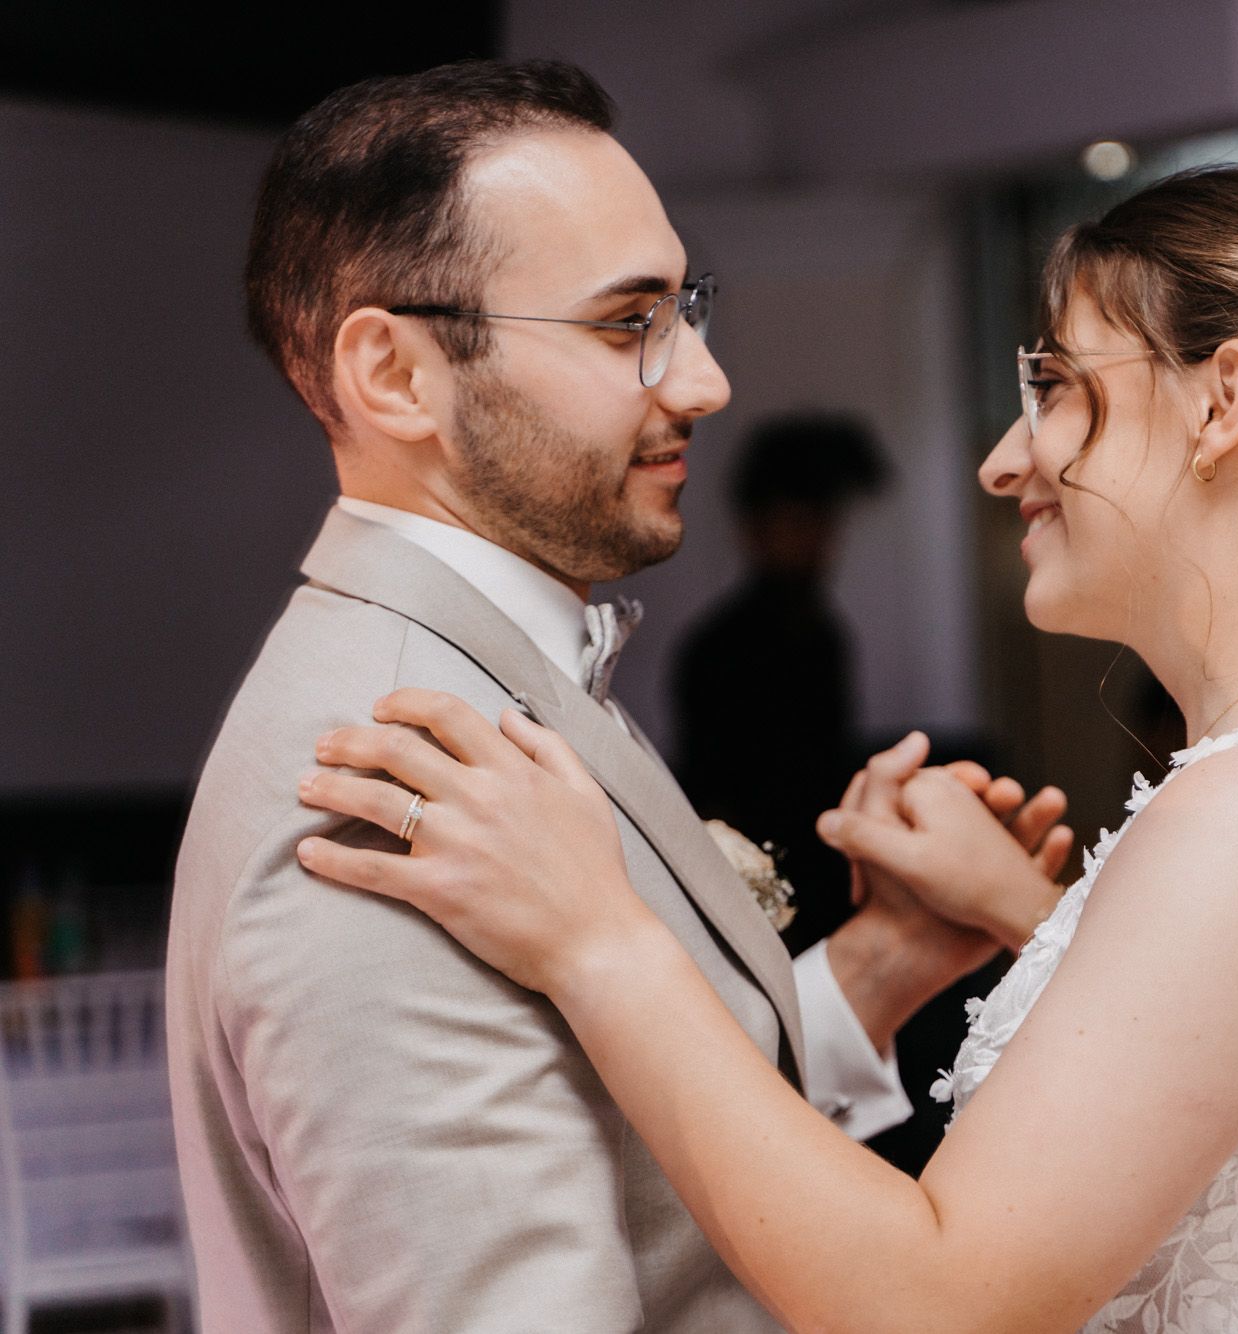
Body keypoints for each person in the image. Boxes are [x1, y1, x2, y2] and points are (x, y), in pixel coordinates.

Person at [297, 164, 1238, 1331]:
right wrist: (1036, 919)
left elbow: (936, 1301)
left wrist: (597, 940)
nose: (1002, 458)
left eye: (1058, 389)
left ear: (1225, 402)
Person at [167, 60, 1068, 1333]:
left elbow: (637, 1164)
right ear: (395, 375)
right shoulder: (389, 777)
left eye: (682, 308)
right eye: (625, 322)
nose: (702, 381)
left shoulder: (491, 675)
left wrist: (876, 966)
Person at [674, 413, 891, 953]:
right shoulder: (718, 647)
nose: (816, 540)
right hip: (758, 899)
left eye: (824, 523)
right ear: (755, 529)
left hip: (827, 879)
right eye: (797, 522)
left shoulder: (825, 633)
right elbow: (713, 795)